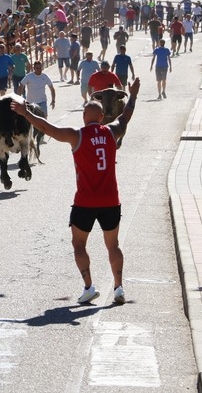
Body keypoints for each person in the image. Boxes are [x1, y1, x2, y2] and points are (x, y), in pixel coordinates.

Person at [11, 78, 140, 305]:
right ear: (102, 117)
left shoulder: (76, 135)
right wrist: (134, 95)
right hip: (111, 200)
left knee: (79, 244)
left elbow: (46, 128)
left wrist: (26, 114)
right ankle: (119, 288)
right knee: (113, 245)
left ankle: (89, 287)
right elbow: (126, 116)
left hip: (85, 202)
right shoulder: (112, 132)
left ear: (84, 117)